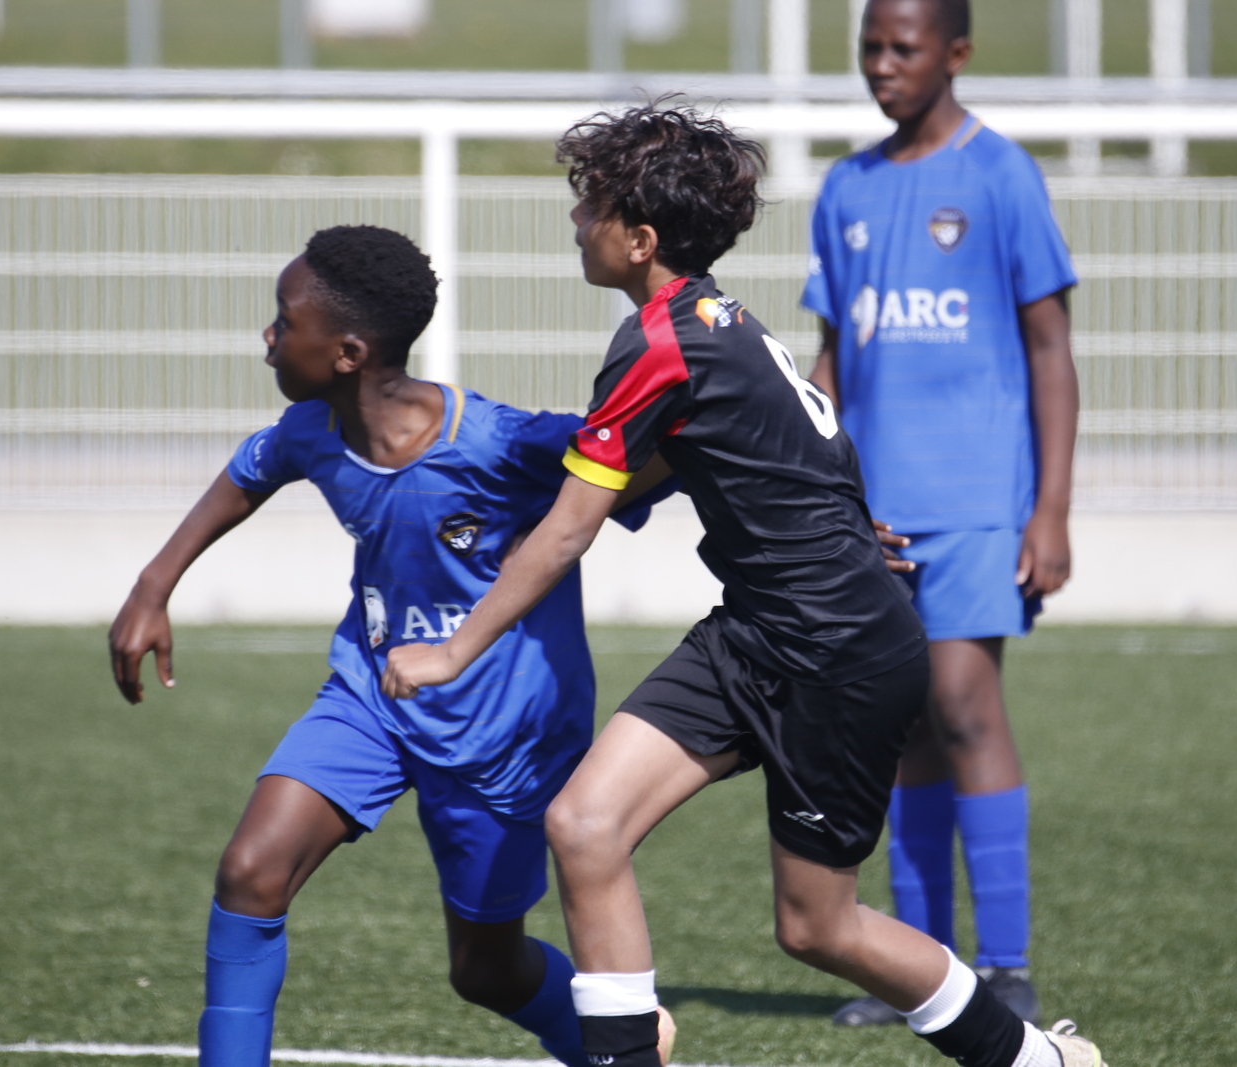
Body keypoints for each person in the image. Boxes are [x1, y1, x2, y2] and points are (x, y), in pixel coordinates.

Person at [383, 104, 1103, 1067]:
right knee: (585, 823)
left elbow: (570, 532)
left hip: (837, 653)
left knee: (818, 926)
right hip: (758, 632)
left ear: (640, 240)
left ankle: (1036, 1060)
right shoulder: (710, 322)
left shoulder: (663, 343)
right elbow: (737, 455)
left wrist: (452, 648)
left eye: (590, 206)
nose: (575, 221)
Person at [107, 224, 676, 1067]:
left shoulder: (496, 441)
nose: (267, 335)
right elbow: (249, 473)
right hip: (371, 694)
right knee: (252, 870)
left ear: (347, 352)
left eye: (283, 320)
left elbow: (653, 456)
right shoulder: (312, 429)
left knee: (484, 969)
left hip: (503, 731)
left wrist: (819, 510)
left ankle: (630, 1044)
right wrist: (154, 585)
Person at [802, 0, 1081, 1028]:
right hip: (876, 512)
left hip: (977, 501)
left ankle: (1004, 965)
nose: (881, 64)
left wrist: (1050, 510)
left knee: (963, 703)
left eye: (903, 48)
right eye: (869, 47)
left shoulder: (1001, 175)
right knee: (904, 722)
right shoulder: (847, 186)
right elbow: (833, 355)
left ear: (955, 54)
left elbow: (1050, 349)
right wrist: (819, 487)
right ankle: (922, 967)